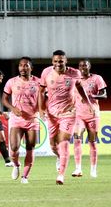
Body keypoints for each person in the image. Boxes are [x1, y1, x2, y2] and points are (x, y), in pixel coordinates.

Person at [38, 50, 93, 185]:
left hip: (69, 113)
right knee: (52, 145)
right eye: (56, 61)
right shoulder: (46, 73)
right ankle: (59, 157)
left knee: (63, 142)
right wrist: (41, 109)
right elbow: (40, 92)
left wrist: (88, 102)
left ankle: (61, 175)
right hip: (51, 114)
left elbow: (80, 89)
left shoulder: (75, 73)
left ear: (66, 61)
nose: (58, 64)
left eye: (61, 61)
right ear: (52, 62)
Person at [2, 57, 41, 184]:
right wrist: (12, 108)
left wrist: (42, 110)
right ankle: (16, 165)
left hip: (32, 119)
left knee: (30, 147)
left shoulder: (38, 82)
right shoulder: (11, 82)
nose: (23, 68)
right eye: (21, 65)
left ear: (31, 68)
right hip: (17, 119)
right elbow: (4, 99)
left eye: (26, 65)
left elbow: (43, 99)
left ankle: (25, 176)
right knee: (14, 147)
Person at [72, 59, 107, 178]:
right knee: (77, 139)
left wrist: (93, 96)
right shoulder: (75, 81)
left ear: (89, 67)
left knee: (92, 142)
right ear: (78, 67)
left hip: (93, 115)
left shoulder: (97, 78)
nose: (83, 68)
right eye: (81, 66)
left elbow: (104, 94)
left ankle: (93, 170)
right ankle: (78, 169)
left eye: (85, 65)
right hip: (78, 115)